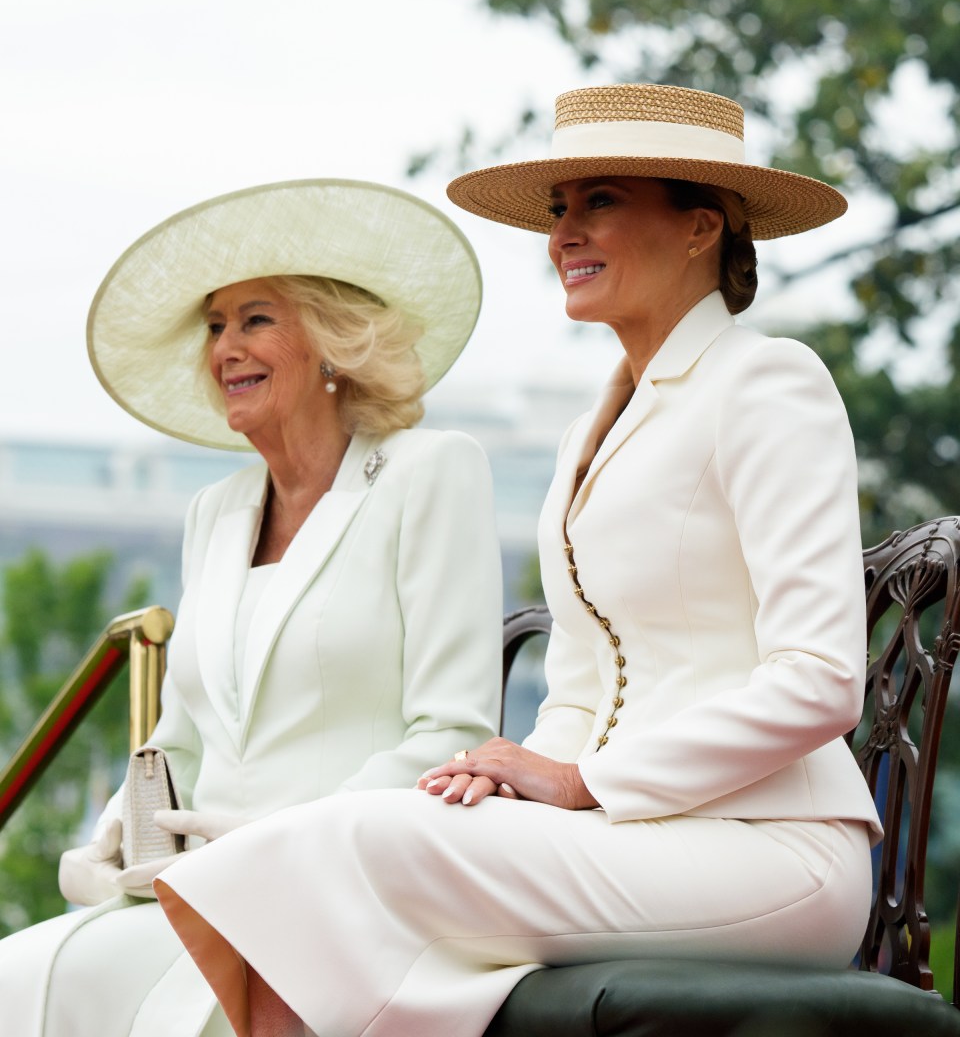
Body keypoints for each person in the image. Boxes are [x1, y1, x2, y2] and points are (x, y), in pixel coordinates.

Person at [153, 85, 883, 1037]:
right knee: (313, 862)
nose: (564, 235)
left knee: (325, 851)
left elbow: (825, 682)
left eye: (600, 203)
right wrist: (514, 769)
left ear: (701, 226)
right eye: (558, 211)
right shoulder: (594, 425)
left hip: (770, 850)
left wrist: (583, 785)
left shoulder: (769, 382)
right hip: (628, 835)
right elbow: (582, 683)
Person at [0, 178, 504, 1037]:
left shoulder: (431, 472)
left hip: (343, 901)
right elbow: (181, 736)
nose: (225, 346)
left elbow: (448, 734)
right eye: (214, 326)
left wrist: (280, 844)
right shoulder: (216, 511)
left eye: (256, 318)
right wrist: (124, 827)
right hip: (194, 893)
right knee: (21, 974)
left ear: (334, 344)